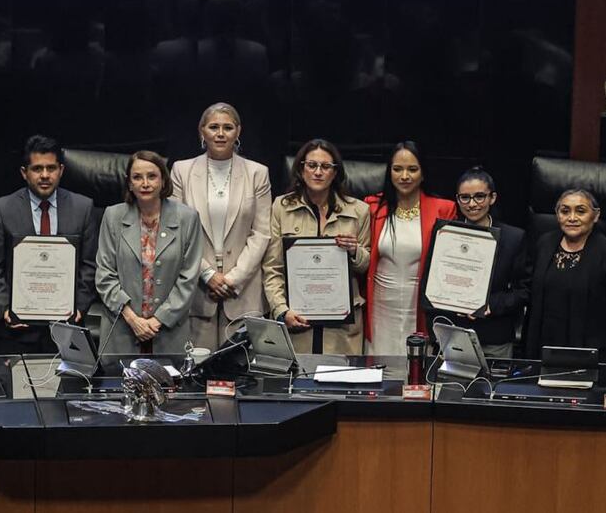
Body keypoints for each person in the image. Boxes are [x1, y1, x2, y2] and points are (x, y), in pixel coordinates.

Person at [0, 135, 98, 354]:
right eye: (37, 169)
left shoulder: (83, 207)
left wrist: (79, 307)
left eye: (51, 168)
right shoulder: (2, 209)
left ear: (61, 170)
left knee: (69, 386)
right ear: (25, 173)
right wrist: (5, 308)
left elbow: (90, 265)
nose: (45, 175)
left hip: (68, 328)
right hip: (18, 331)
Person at [170, 102, 271, 351]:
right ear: (201, 131)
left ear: (238, 132)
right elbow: (176, 231)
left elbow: (261, 233)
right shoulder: (181, 171)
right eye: (213, 127)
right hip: (195, 290)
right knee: (196, 373)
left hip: (243, 292)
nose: (220, 133)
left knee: (241, 376)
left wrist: (232, 281)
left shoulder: (258, 173)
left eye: (227, 127)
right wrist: (207, 275)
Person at [262, 139, 370, 354]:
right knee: (298, 383)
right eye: (312, 165)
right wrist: (282, 311)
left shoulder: (359, 210)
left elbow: (366, 266)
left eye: (326, 166)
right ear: (301, 169)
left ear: (335, 172)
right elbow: (272, 268)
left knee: (339, 384)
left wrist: (354, 251)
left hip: (342, 324)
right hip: (297, 320)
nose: (318, 172)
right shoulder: (281, 207)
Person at [95, 150, 204, 354]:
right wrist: (133, 319)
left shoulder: (188, 219)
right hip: (122, 328)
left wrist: (158, 320)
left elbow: (188, 278)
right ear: (129, 183)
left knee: (169, 383)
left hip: (168, 332)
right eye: (137, 177)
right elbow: (104, 275)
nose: (145, 183)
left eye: (152, 176)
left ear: (163, 180)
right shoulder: (113, 216)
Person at [421, 167, 528, 359]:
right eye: (465, 198)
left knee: (493, 389)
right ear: (457, 199)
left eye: (480, 196)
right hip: (452, 336)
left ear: (492, 198)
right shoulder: (444, 235)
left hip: (494, 337)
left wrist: (489, 305)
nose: (472, 204)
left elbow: (524, 291)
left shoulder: (514, 238)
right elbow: (429, 287)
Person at [364, 141, 457, 356]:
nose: (404, 176)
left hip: (419, 307)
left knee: (415, 371)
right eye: (397, 169)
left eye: (412, 169)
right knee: (380, 367)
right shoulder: (371, 206)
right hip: (380, 306)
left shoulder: (443, 209)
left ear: (423, 173)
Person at [524, 189, 606, 363]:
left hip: (591, 355)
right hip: (543, 349)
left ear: (596, 216)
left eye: (581, 211)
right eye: (565, 211)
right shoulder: (544, 243)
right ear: (557, 214)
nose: (572, 218)